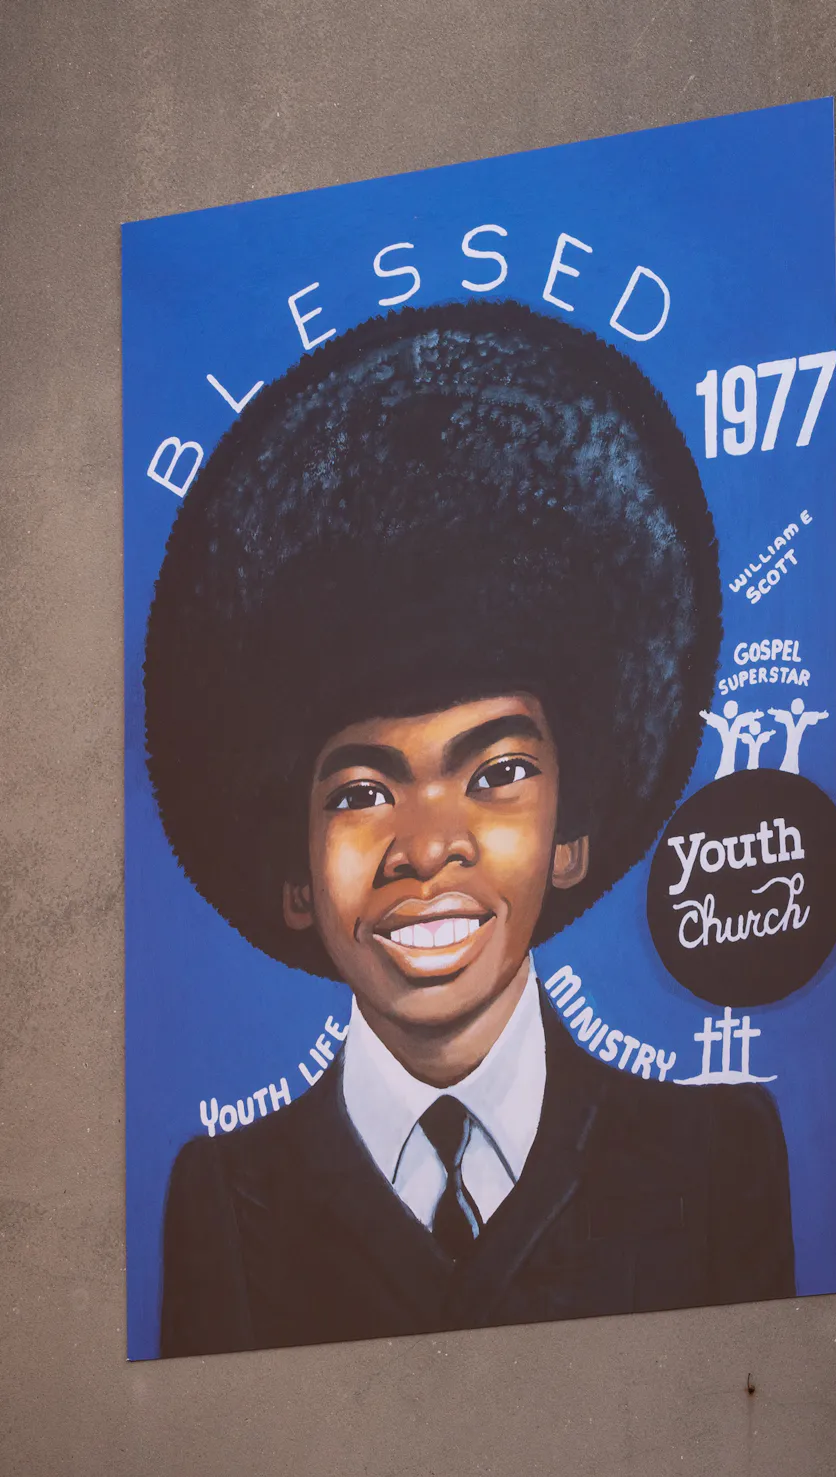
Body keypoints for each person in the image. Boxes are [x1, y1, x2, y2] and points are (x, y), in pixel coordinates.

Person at [145, 300, 794, 1357]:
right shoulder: (224, 1199)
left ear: (571, 834)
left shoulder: (715, 1158)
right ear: (297, 878)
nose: (427, 843)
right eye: (360, 791)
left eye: (496, 772)